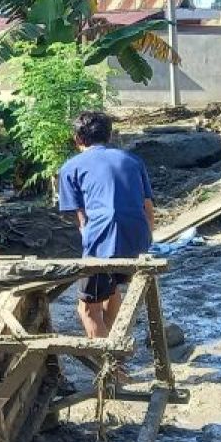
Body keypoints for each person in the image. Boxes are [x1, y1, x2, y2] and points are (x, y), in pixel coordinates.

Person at [58, 112, 155, 339]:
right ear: (109, 135)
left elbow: (82, 220)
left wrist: (91, 249)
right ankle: (114, 341)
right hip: (138, 239)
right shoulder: (132, 160)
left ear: (78, 139)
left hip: (102, 239)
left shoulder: (71, 167)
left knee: (87, 309)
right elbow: (148, 208)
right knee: (111, 291)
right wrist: (146, 241)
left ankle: (111, 366)